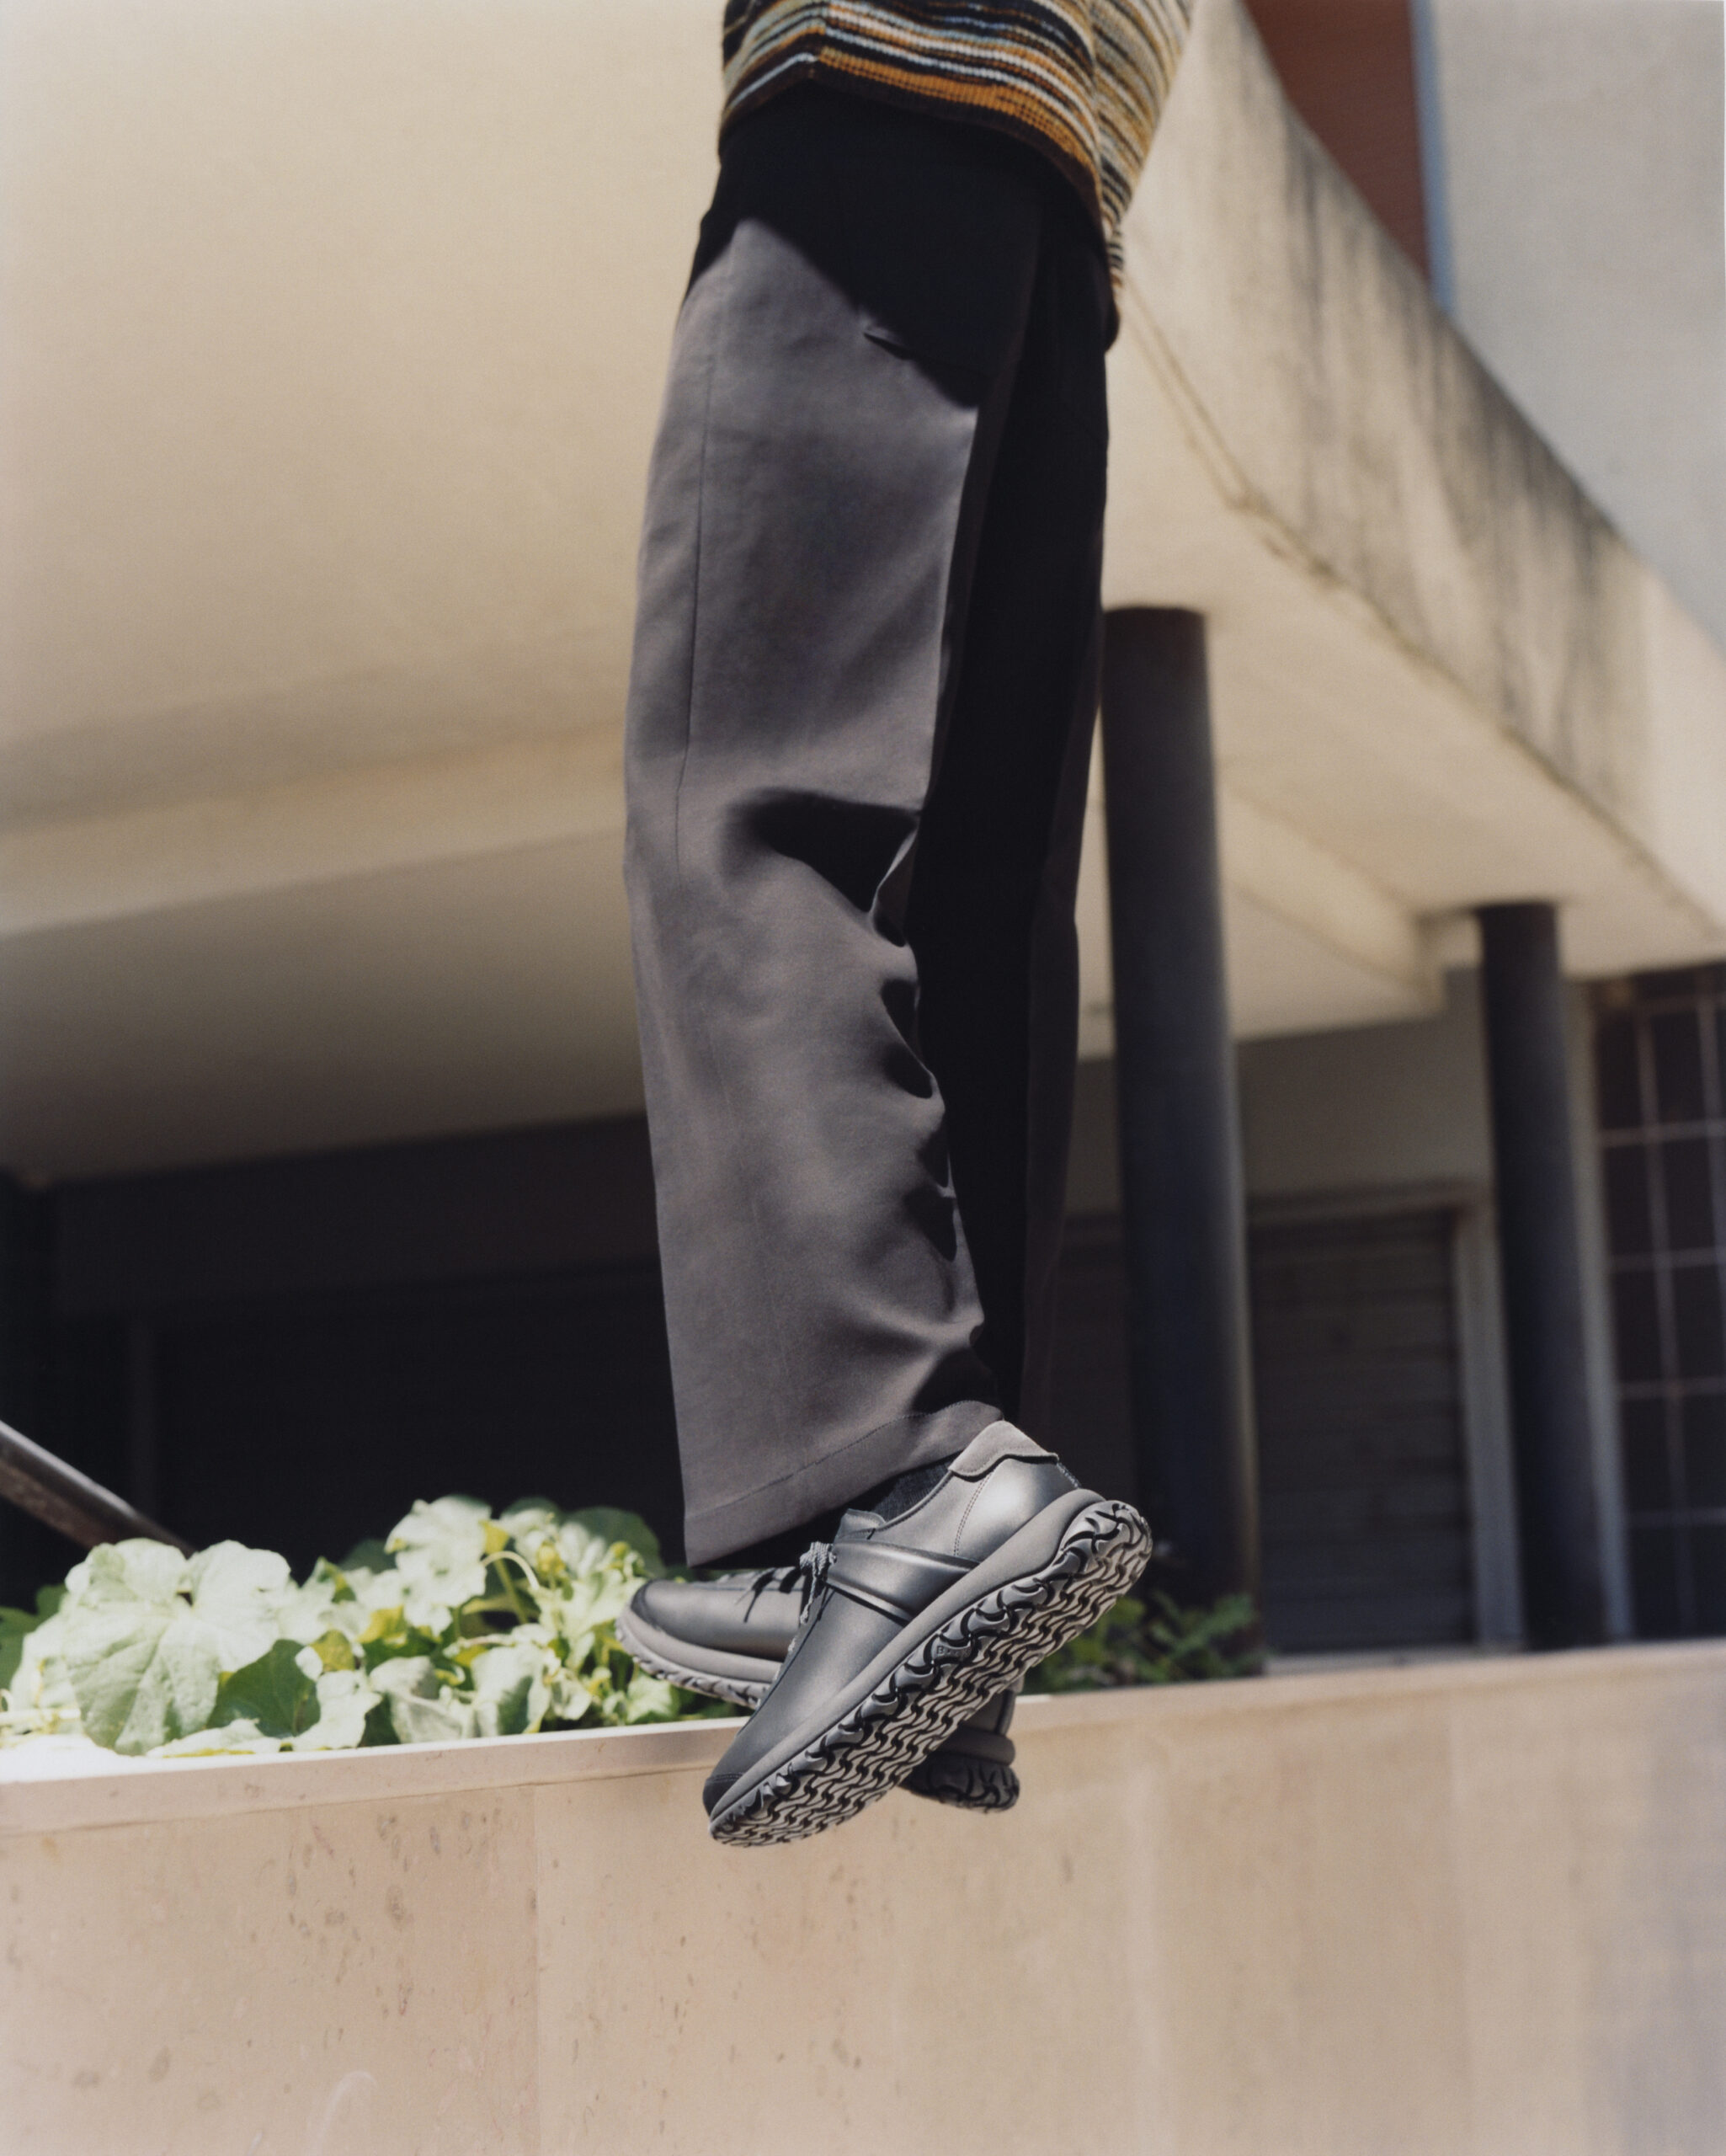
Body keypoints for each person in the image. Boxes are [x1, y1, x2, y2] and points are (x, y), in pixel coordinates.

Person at [621, 0, 1192, 1846]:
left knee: (750, 792)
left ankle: (910, 1483)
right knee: (960, 889)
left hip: (868, 91)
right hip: (1055, 171)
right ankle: (910, 1588)